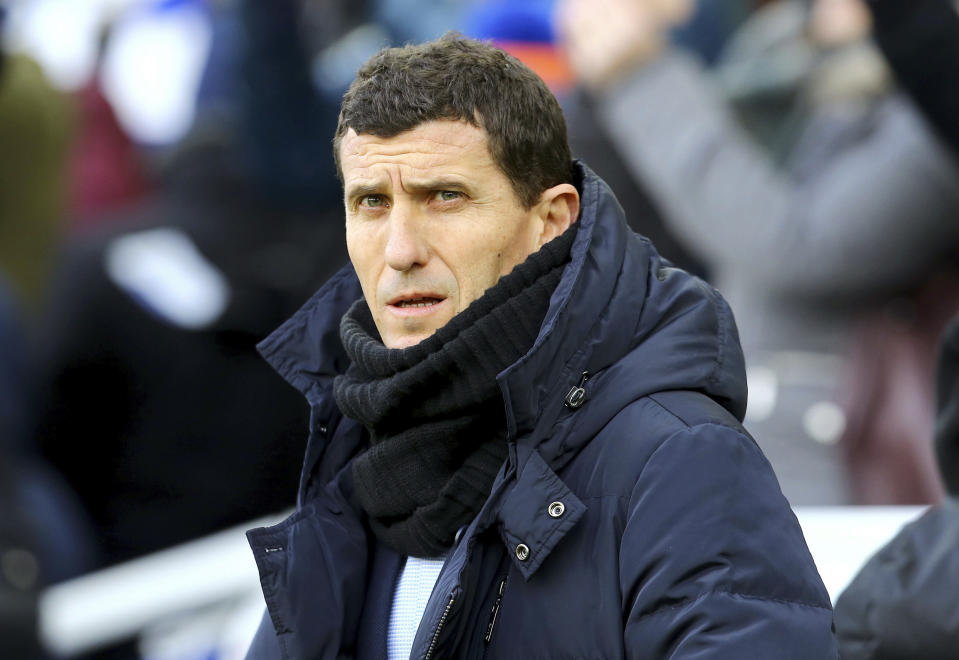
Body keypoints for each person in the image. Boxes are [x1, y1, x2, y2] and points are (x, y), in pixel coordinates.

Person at [243, 34, 836, 659]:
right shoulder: (354, 455)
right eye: (371, 203)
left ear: (552, 220)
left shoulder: (682, 462)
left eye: (444, 197)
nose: (399, 250)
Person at [557, 0, 959, 505]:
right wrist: (608, 71)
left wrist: (640, 76)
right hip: (747, 453)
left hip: (846, 477)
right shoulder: (787, 70)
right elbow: (678, 228)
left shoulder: (937, 121)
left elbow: (795, 246)